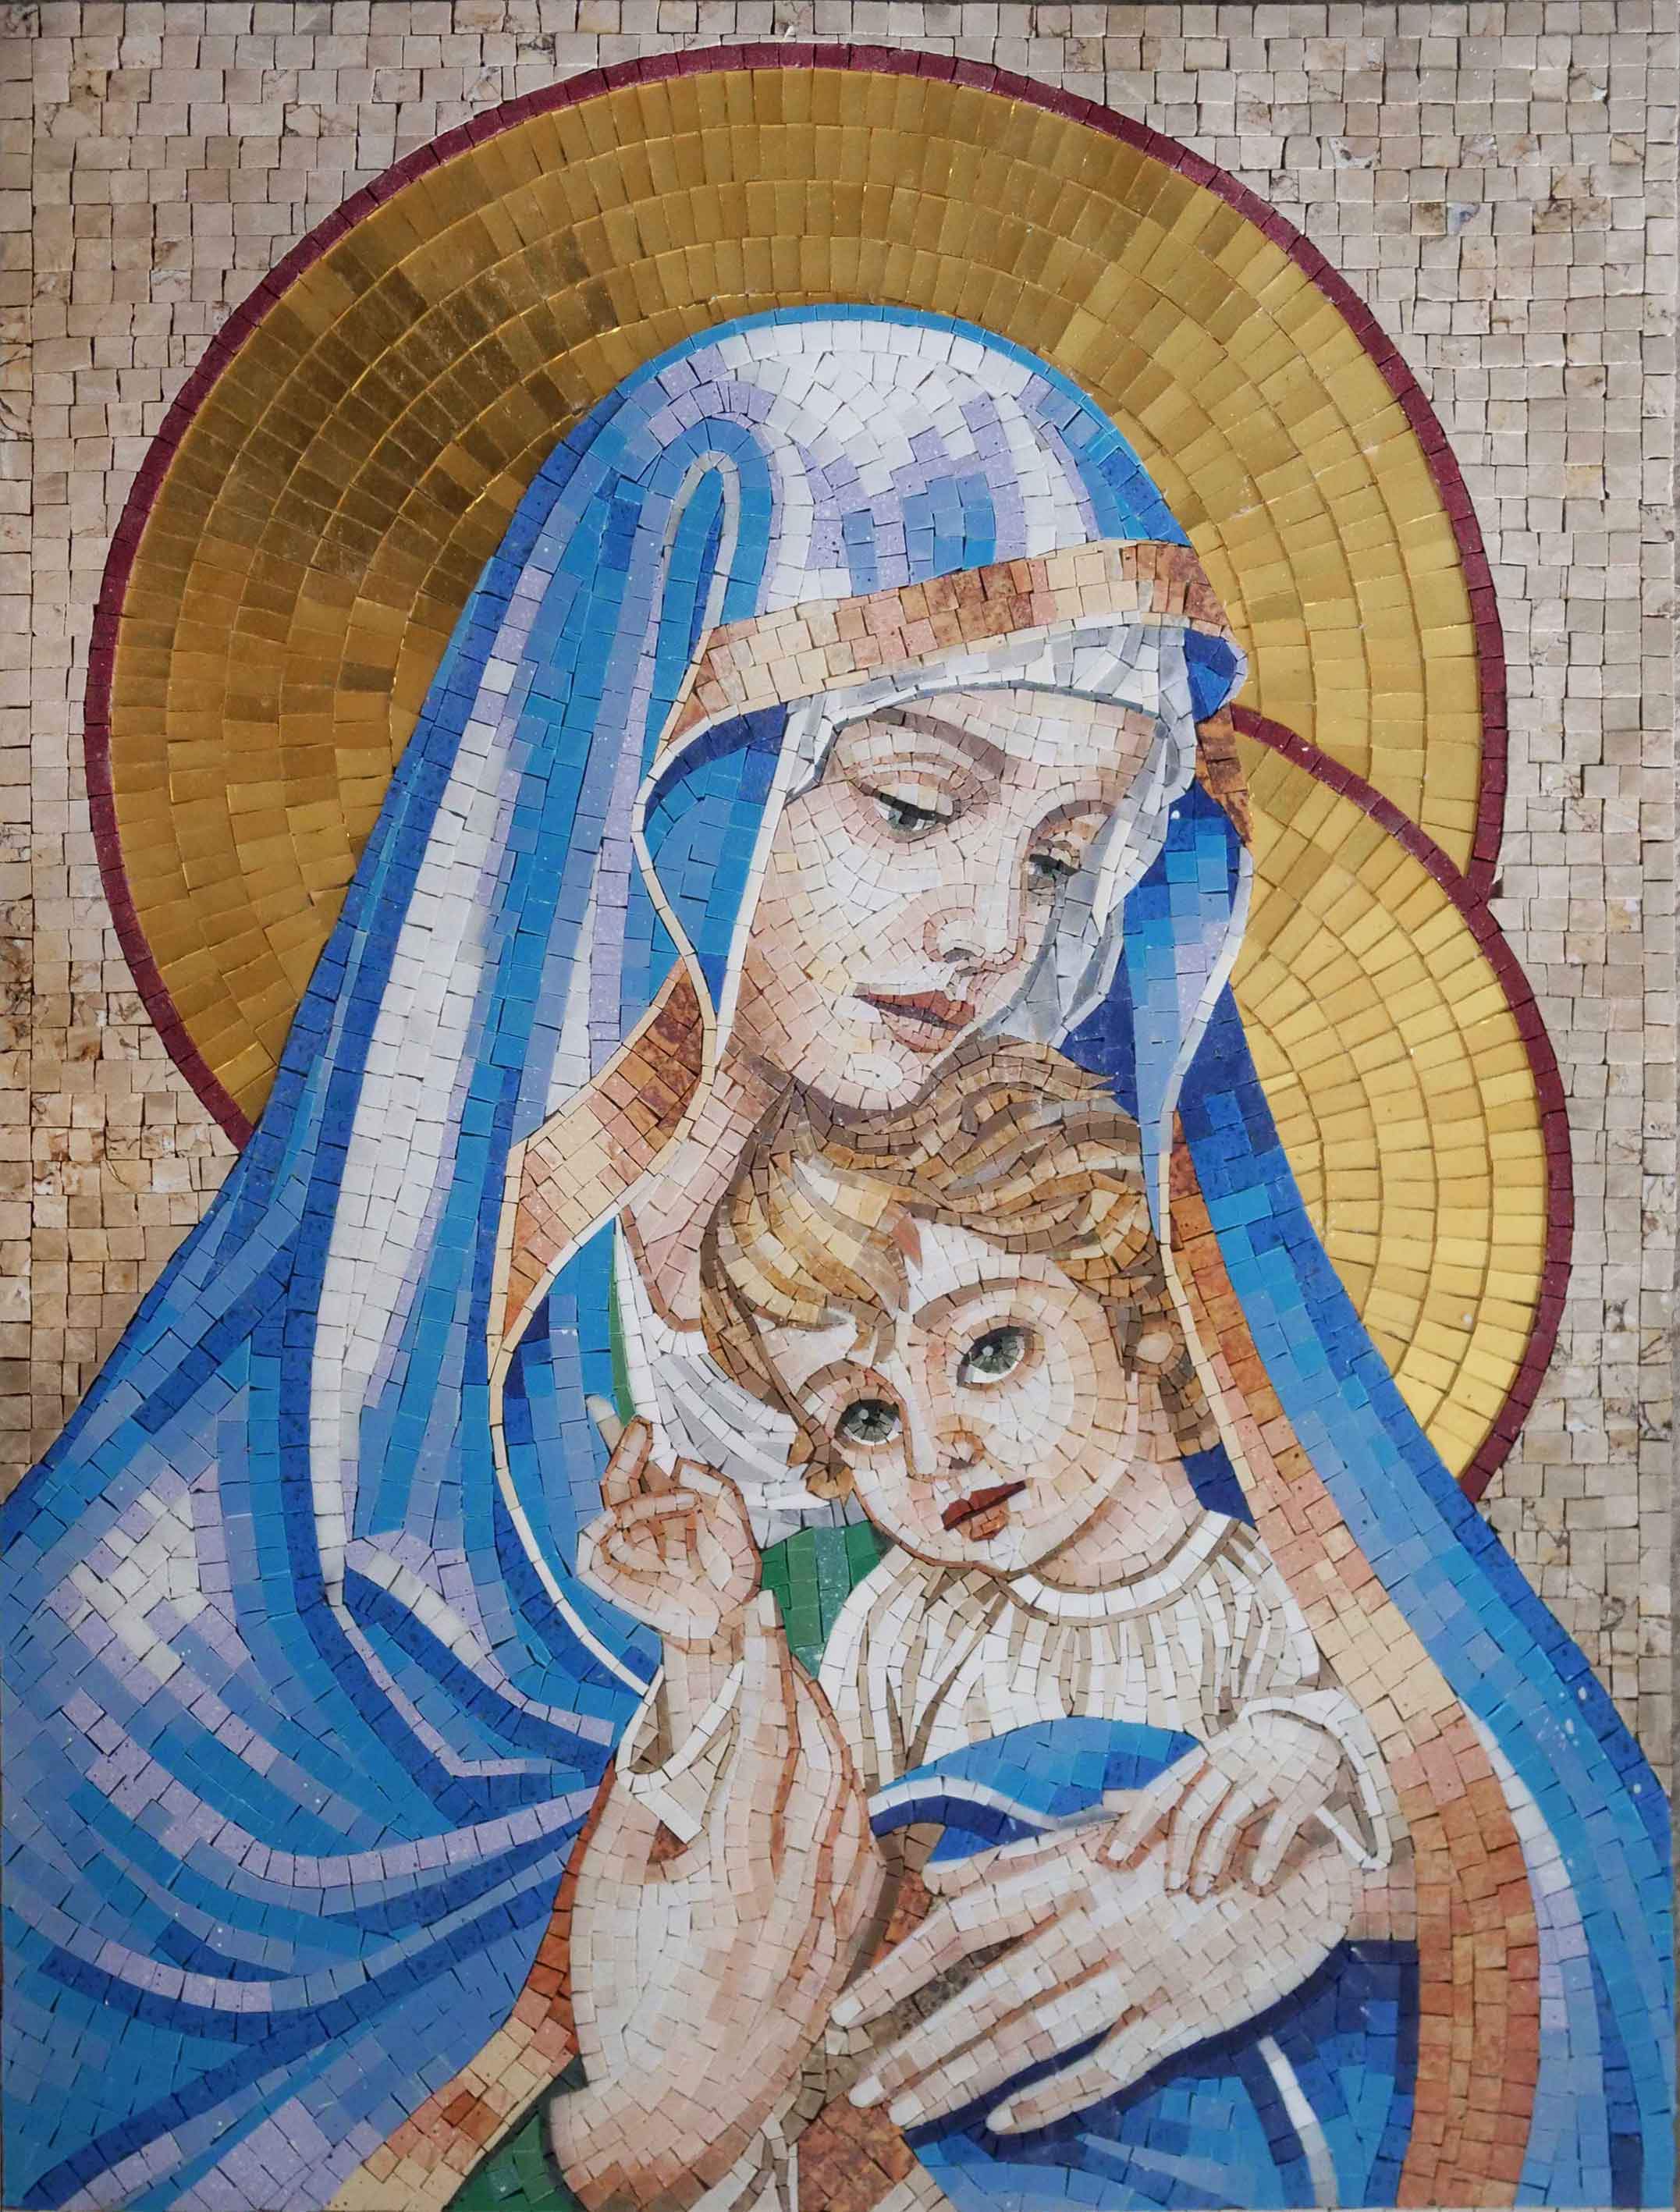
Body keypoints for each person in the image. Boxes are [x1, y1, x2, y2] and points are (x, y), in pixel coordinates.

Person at [2, 309, 1668, 2212]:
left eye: (1060, 858)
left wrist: (1302, 1898)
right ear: (656, 770)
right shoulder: (197, 1573)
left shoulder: (1065, 1264)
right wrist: (627, 2142)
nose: (987, 928)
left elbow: (1545, 1858)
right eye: (913, 804)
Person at [552, 1040, 1410, 2211]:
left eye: (991, 1353)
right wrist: (709, 1636)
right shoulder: (900, 1629)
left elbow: (1444, 1816)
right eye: (865, 1418)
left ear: (1142, 1318)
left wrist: (1312, 1749)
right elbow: (800, 1878)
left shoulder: (1277, 1593)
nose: (934, 1448)